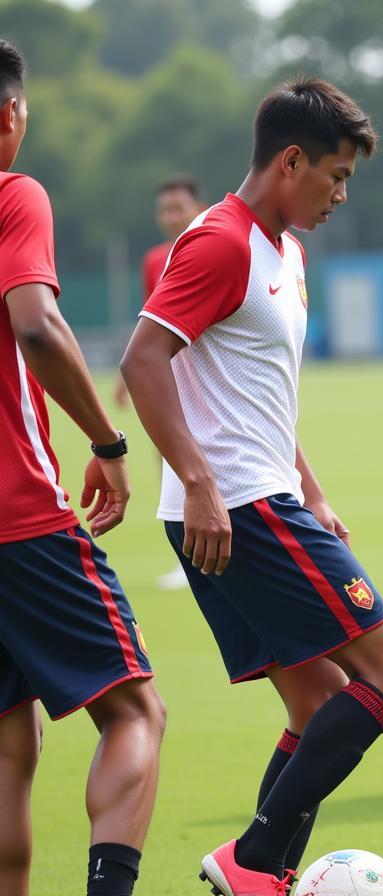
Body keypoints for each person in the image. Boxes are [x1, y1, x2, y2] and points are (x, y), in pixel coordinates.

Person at [121, 77, 383, 896]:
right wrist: (202, 483)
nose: (341, 194)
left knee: (315, 704)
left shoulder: (282, 249)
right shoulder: (218, 242)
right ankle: (254, 863)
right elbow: (144, 362)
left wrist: (314, 483)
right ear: (289, 161)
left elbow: (255, 394)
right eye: (334, 175)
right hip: (242, 510)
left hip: (266, 497)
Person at [0, 38, 195, 896]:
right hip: (21, 517)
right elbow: (36, 322)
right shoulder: (12, 192)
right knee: (134, 710)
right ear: (10, 116)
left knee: (5, 748)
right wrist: (107, 438)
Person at [115, 175, 205, 592]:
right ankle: (188, 556)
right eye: (163, 210)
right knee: (170, 459)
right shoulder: (154, 260)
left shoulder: (212, 246)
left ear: (196, 208)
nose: (170, 217)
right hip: (169, 379)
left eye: (177, 208)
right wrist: (123, 379)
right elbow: (149, 322)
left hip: (207, 377)